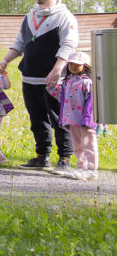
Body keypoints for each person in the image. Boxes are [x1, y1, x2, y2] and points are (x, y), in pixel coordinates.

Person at [0, 0, 78, 173]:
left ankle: (65, 158)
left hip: (53, 80)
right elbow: (20, 44)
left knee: (59, 119)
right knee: (37, 119)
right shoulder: (30, 16)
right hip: (30, 78)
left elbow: (68, 45)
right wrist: (5, 61)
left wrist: (58, 69)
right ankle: (42, 156)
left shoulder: (65, 17)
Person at [48, 52, 98, 180]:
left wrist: (88, 119)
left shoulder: (87, 82)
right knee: (77, 145)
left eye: (77, 64)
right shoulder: (68, 81)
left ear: (85, 66)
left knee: (89, 144)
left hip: (85, 120)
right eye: (71, 64)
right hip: (73, 119)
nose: (73, 66)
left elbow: (91, 102)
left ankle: (92, 169)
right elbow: (62, 97)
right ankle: (81, 167)